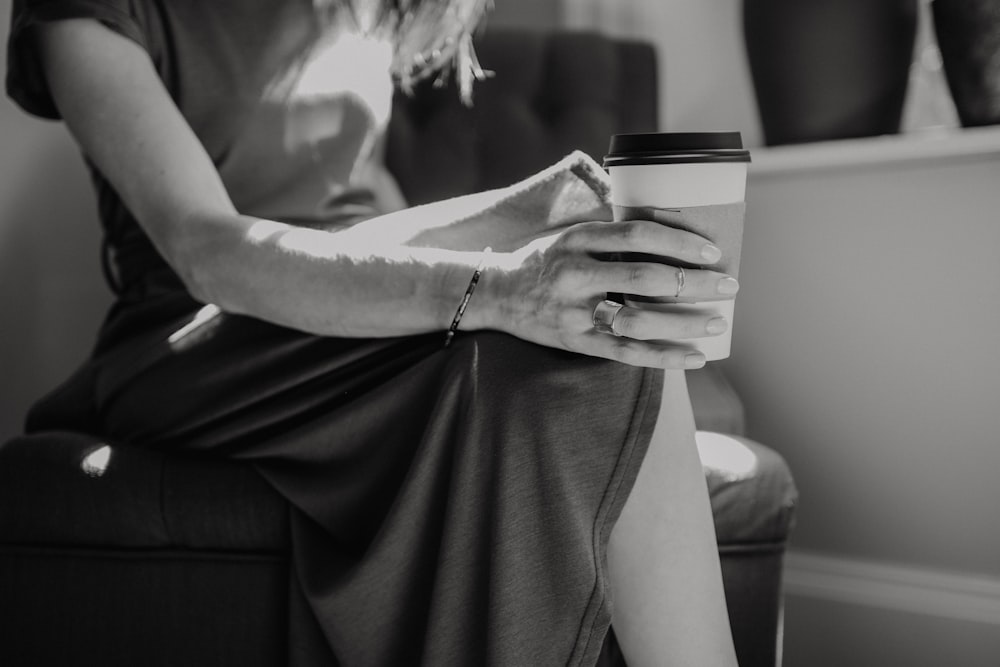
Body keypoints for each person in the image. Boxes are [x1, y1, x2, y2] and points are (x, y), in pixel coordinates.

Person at [5, 0, 739, 665]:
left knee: (600, 340)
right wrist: (495, 287)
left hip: (363, 300)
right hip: (203, 332)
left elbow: (361, 212)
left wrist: (533, 239)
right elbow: (204, 247)